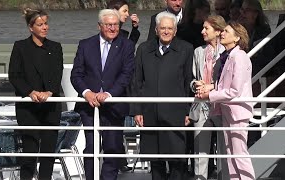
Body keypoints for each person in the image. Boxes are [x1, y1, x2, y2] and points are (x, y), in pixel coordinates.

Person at [70, 9, 135, 180]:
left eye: (116, 25)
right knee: (91, 147)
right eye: (109, 25)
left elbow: (127, 75)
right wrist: (87, 93)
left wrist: (109, 93)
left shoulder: (126, 46)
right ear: (100, 26)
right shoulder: (85, 44)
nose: (113, 28)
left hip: (114, 105)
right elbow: (76, 75)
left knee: (112, 147)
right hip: (89, 106)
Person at [131, 11, 193, 180]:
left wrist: (189, 111)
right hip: (149, 112)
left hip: (176, 113)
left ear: (175, 31)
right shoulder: (144, 49)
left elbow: (189, 80)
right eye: (163, 28)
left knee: (177, 159)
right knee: (155, 159)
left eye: (170, 28)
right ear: (156, 30)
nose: (166, 31)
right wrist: (137, 111)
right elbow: (137, 81)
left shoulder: (186, 49)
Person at [8, 8, 63, 180]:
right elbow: (14, 75)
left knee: (48, 154)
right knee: (29, 152)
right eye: (40, 24)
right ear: (31, 28)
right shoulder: (20, 47)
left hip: (50, 107)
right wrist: (30, 92)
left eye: (46, 23)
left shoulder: (56, 47)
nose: (45, 27)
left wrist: (50, 92)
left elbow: (57, 73)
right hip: (28, 109)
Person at [197, 21, 255, 180]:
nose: (222, 33)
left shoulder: (240, 57)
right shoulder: (229, 56)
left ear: (237, 38)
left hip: (237, 113)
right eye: (223, 31)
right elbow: (224, 85)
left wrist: (209, 95)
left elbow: (235, 90)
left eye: (227, 32)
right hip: (229, 111)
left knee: (239, 153)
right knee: (230, 153)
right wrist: (209, 88)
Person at [189, 15, 228, 180]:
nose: (202, 31)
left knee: (224, 149)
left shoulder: (227, 52)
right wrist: (195, 85)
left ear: (218, 31)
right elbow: (192, 78)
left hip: (221, 105)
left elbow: (228, 82)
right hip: (201, 106)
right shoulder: (199, 52)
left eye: (206, 28)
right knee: (200, 151)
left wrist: (210, 87)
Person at [107, 0, 140, 172]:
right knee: (112, 125)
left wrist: (135, 30)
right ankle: (115, 161)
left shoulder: (124, 33)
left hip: (122, 85)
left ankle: (120, 161)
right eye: (124, 11)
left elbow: (128, 48)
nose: (127, 14)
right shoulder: (108, 33)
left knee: (118, 124)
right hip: (111, 86)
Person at [238, 0, 272, 76]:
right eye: (242, 9)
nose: (242, 13)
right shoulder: (237, 28)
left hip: (256, 69)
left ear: (256, 14)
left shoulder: (264, 29)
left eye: (246, 10)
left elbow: (261, 53)